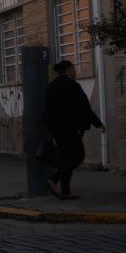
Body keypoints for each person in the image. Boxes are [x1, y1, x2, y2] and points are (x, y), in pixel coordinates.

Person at [41, 60, 106, 200]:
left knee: (66, 158)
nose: (76, 71)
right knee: (77, 156)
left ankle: (66, 191)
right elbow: (84, 108)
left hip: (53, 126)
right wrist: (99, 124)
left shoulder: (51, 86)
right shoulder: (72, 86)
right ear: (69, 70)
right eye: (74, 68)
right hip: (66, 127)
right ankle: (53, 180)